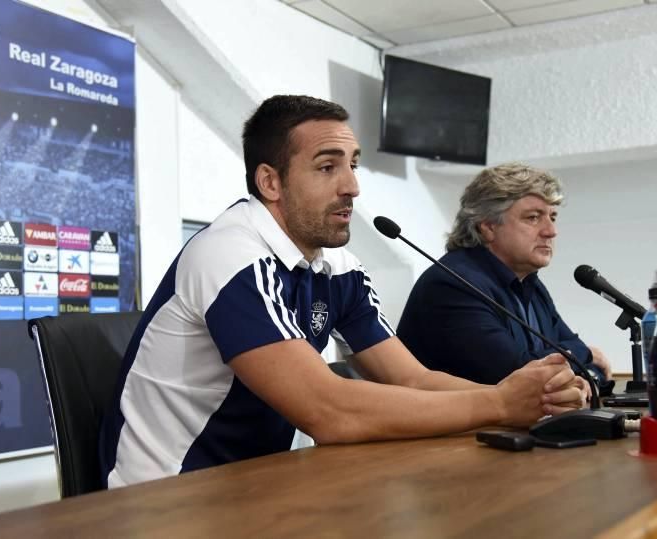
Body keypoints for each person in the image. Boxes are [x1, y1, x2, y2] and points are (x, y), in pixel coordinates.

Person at [99, 97, 586, 488]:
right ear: (270, 181)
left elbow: (412, 380)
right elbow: (327, 411)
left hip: (249, 484)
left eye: (353, 165)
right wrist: (501, 405)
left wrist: (532, 400)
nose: (352, 186)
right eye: (327, 167)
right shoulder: (230, 255)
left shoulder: (339, 269)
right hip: (163, 497)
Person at [397, 162, 612, 386]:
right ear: (488, 227)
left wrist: (586, 370)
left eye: (553, 217)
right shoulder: (453, 284)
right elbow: (516, 375)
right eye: (533, 217)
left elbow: (584, 368)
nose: (551, 231)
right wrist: (585, 355)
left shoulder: (531, 285)